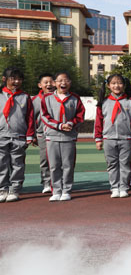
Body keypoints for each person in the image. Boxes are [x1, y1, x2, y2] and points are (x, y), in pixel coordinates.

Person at [95, 74, 131, 198]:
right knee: (112, 164)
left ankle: (124, 187)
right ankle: (114, 187)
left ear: (124, 85)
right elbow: (98, 121)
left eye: (119, 83)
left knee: (125, 164)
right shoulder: (103, 102)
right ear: (109, 86)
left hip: (126, 138)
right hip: (108, 138)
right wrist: (98, 138)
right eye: (113, 83)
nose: (117, 86)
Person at [41, 71, 85, 202]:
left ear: (70, 83)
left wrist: (71, 123)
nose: (63, 83)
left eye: (66, 80)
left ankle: (66, 190)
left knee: (68, 165)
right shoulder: (47, 98)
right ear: (55, 83)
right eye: (60, 80)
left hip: (69, 137)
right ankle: (56, 190)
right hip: (52, 136)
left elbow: (80, 115)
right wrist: (59, 126)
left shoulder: (75, 98)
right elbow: (44, 116)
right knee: (54, 165)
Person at [0, 67, 35, 202]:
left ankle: (15, 189)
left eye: (19, 79)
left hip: (18, 136)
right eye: (13, 78)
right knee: (1, 163)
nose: (16, 81)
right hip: (1, 135)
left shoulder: (25, 97)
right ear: (4, 79)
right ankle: (2, 189)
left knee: (17, 163)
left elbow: (30, 117)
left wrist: (30, 134)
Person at [32, 73, 55, 194]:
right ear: (40, 85)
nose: (49, 84)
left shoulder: (58, 98)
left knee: (58, 160)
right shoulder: (35, 100)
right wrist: (32, 135)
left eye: (51, 81)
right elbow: (30, 118)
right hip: (42, 134)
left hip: (57, 134)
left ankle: (58, 181)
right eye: (45, 82)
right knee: (45, 159)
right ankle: (46, 182)